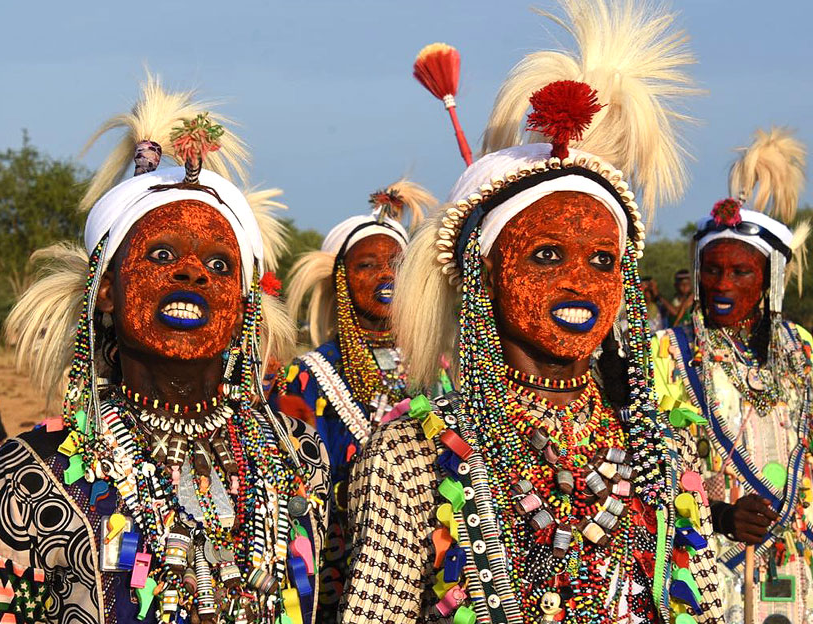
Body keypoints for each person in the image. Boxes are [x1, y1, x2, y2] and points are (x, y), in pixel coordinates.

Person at [342, 1, 724, 621]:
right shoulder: (410, 451)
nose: (580, 280)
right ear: (483, 273)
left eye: (603, 261)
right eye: (547, 255)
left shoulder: (661, 451)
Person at [0, 75, 328, 624]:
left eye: (220, 265)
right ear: (105, 290)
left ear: (244, 305)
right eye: (160, 255)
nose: (192, 273)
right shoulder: (32, 472)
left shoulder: (298, 459)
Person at [652, 127, 809, 624]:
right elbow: (651, 463)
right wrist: (719, 516)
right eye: (712, 270)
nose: (722, 285)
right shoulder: (668, 355)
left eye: (740, 272)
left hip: (797, 564)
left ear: (769, 281)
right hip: (709, 566)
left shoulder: (803, 351)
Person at [268, 179, 436, 621]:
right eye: (367, 265)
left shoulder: (437, 367)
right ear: (341, 279)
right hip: (342, 574)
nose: (386, 274)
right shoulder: (304, 377)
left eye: (396, 263)